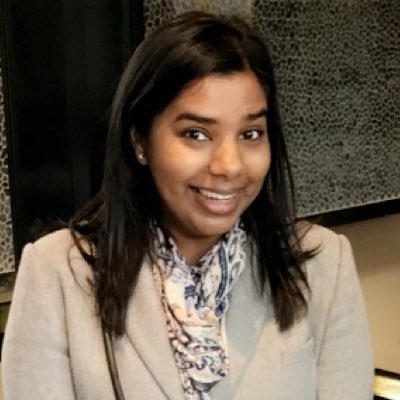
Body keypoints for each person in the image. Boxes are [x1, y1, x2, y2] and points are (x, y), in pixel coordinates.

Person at [2, 11, 373, 400]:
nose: (230, 166)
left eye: (250, 133)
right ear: (140, 140)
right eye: (196, 134)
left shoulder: (322, 264)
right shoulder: (57, 273)